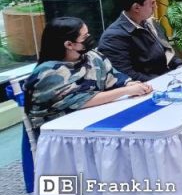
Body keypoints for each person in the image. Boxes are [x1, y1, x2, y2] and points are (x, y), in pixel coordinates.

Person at [24, 17, 152, 137]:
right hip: (61, 134)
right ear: (69, 44)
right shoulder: (48, 73)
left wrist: (130, 84)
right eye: (84, 37)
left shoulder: (92, 56)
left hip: (93, 121)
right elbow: (81, 100)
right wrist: (126, 90)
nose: (89, 38)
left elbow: (114, 77)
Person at [98, 0, 182, 82]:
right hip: (149, 86)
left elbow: (166, 53)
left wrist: (181, 66)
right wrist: (165, 80)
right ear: (136, 8)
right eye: (152, 3)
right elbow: (127, 76)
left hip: (168, 78)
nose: (156, 7)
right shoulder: (113, 38)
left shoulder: (150, 23)